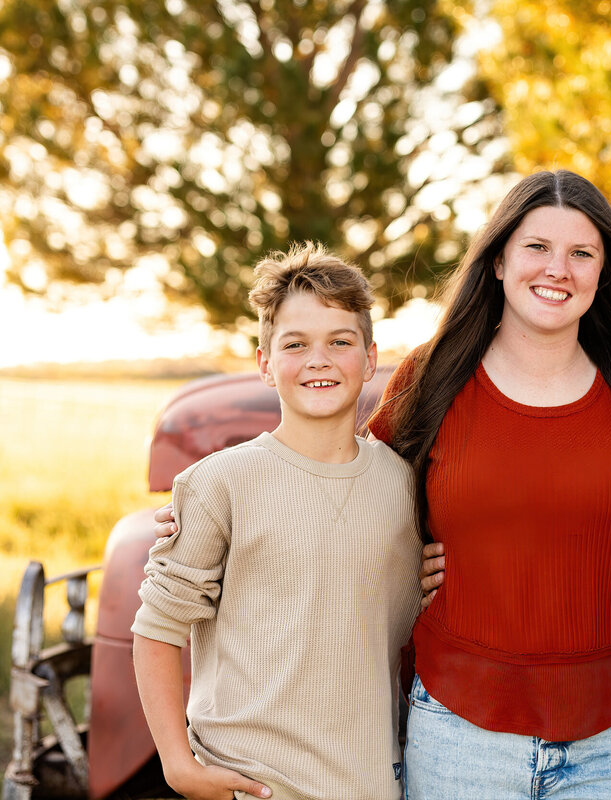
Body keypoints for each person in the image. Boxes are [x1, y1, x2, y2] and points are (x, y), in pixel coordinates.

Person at [366, 170, 611, 799]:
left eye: (581, 253)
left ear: (602, 272)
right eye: (537, 247)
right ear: (500, 259)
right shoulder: (434, 376)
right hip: (460, 730)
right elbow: (349, 489)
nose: (557, 268)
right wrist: (217, 509)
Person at [132, 243, 422, 800]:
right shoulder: (218, 482)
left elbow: (402, 609)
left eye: (341, 341)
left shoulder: (403, 486)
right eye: (295, 344)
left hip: (369, 783)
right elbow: (157, 629)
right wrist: (177, 764)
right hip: (252, 784)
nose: (320, 359)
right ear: (265, 363)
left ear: (369, 359)